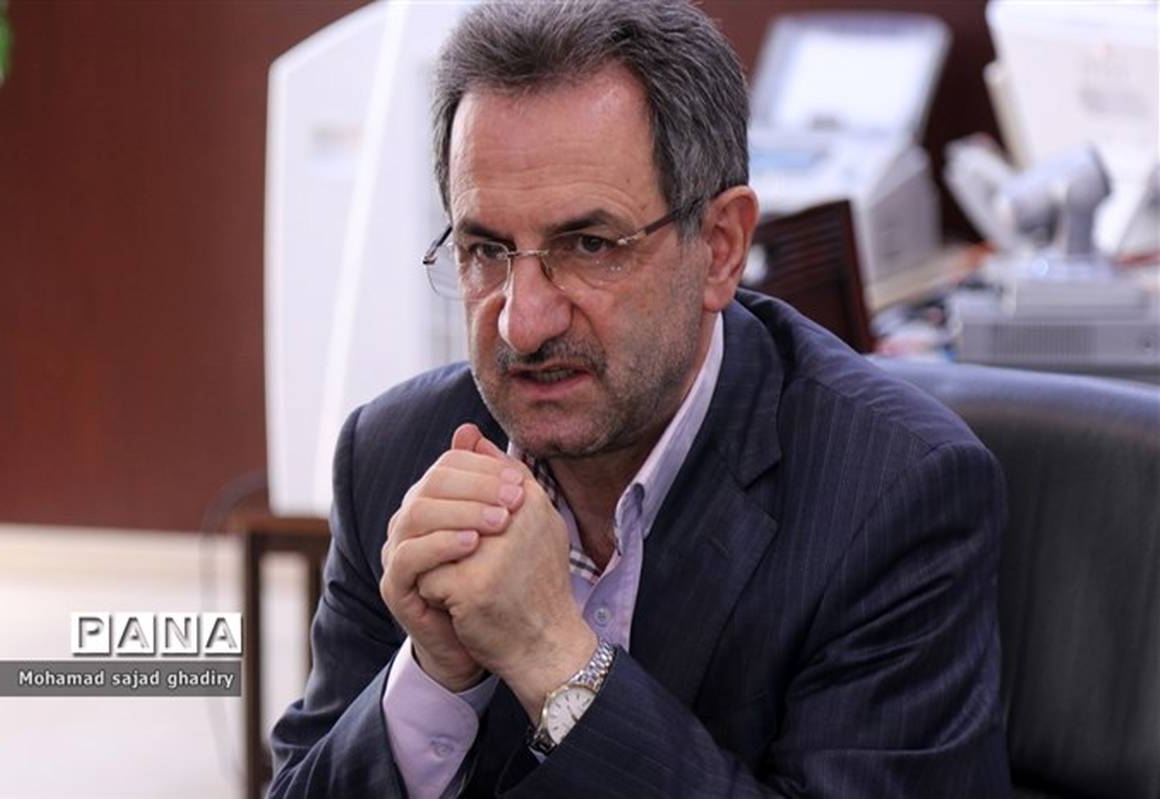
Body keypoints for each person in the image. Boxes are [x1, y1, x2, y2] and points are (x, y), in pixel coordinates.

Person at [268, 1, 1012, 796]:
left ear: (721, 248)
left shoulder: (891, 493)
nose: (523, 322)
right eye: (486, 249)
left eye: (589, 245)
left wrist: (555, 659)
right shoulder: (394, 454)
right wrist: (434, 679)